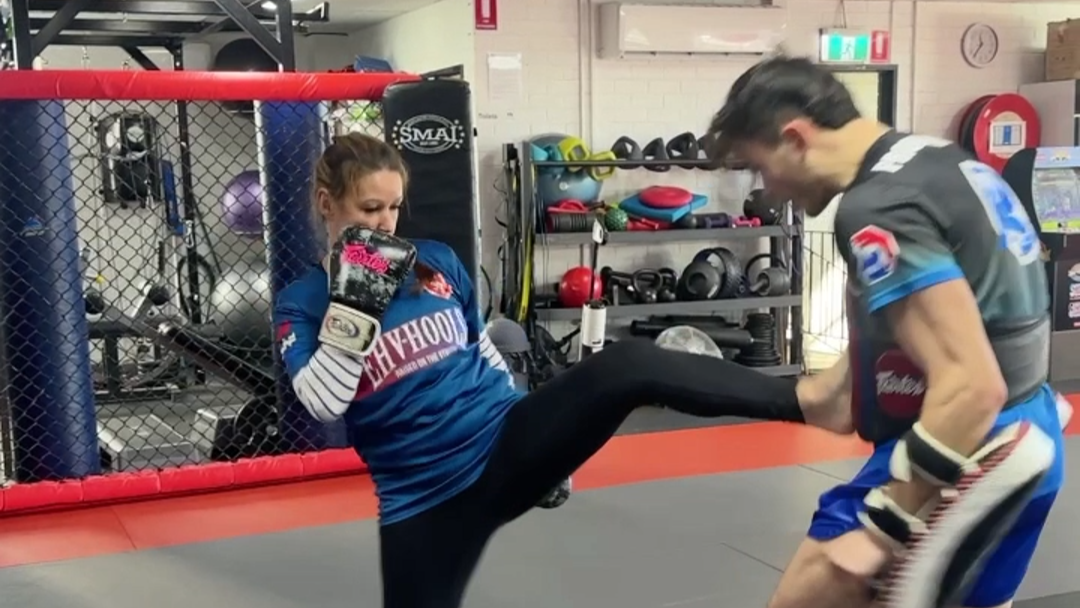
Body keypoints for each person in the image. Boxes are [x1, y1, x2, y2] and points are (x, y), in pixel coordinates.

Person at [272, 133, 820, 608]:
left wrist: (543, 429)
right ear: (327, 203)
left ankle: (805, 399)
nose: (385, 223)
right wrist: (356, 303)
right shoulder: (303, 301)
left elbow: (480, 352)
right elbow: (325, 403)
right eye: (370, 209)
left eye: (393, 207)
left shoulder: (434, 260)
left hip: (503, 446)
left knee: (625, 366)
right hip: (423, 500)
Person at [705, 55, 1067, 608]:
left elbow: (973, 384)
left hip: (971, 451)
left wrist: (885, 525)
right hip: (1030, 431)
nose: (769, 188)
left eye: (762, 167)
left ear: (795, 138)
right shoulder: (936, 161)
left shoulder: (879, 207)